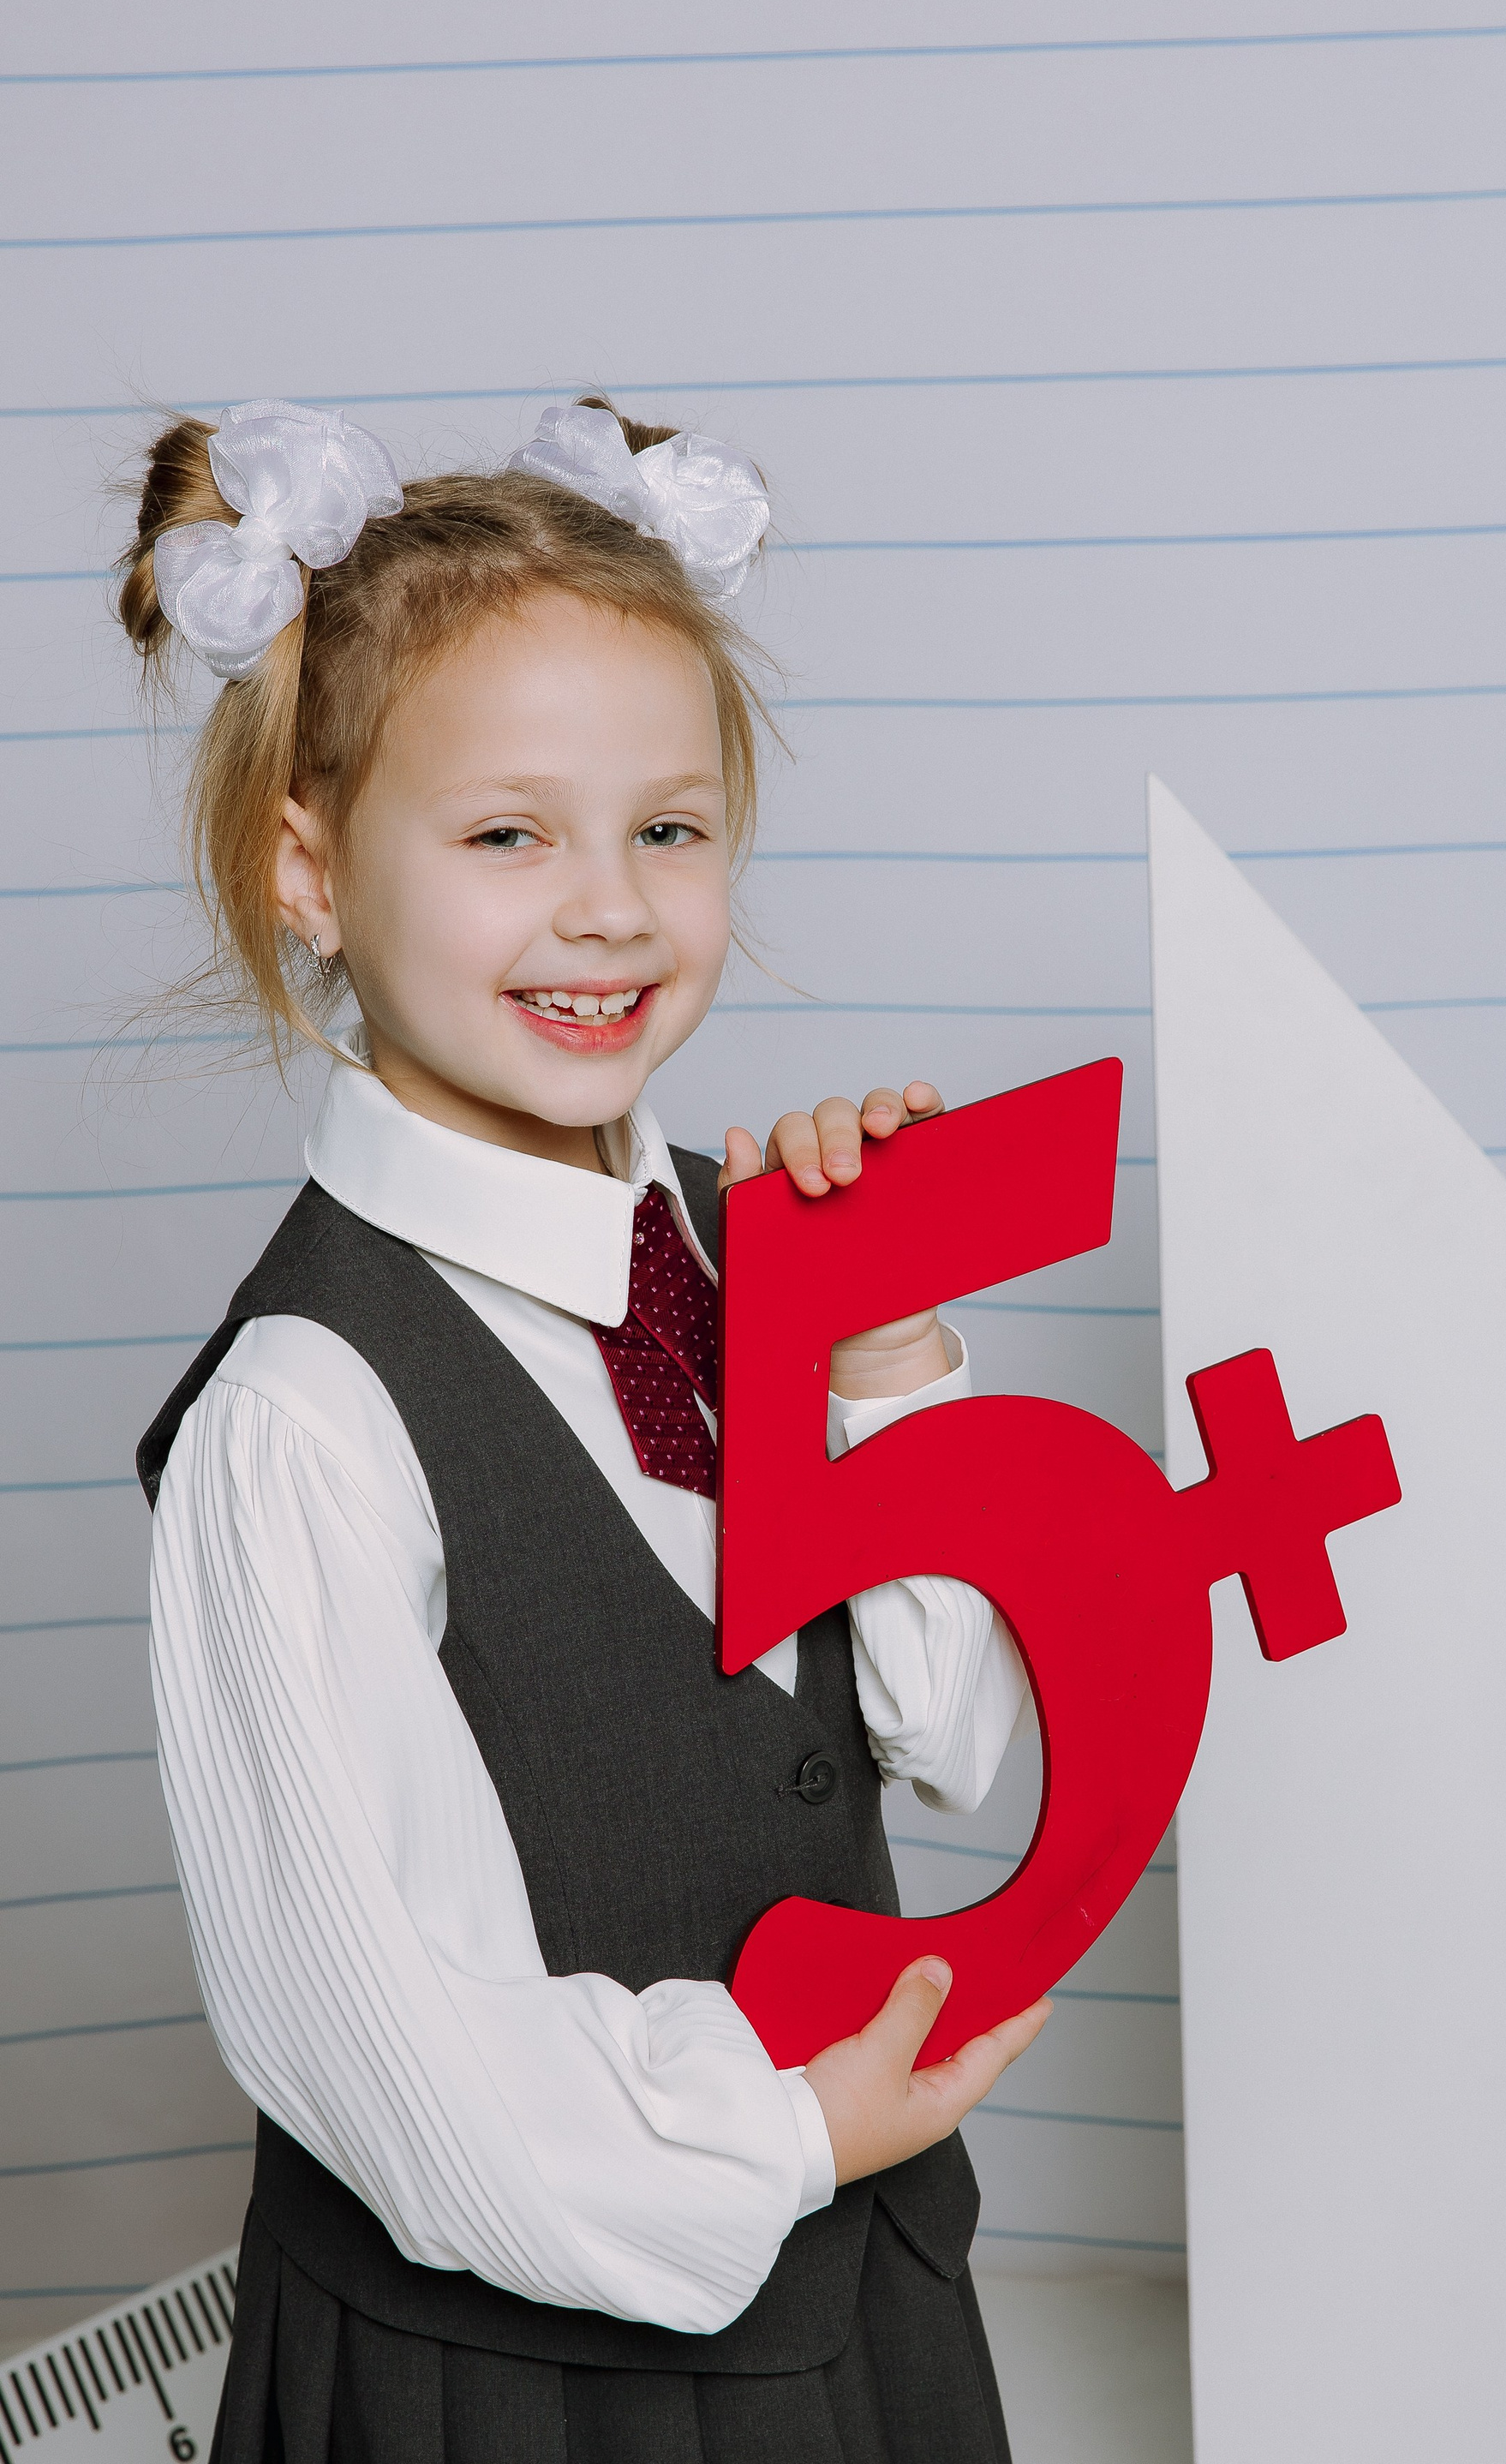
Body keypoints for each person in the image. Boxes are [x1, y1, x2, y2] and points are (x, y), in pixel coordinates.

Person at [123, 395, 1049, 2464]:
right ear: (309, 867)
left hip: (864, 2316)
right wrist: (783, 2129)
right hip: (524, 2387)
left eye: (669, 829)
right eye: (507, 836)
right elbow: (388, 2044)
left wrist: (883, 1357)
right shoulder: (305, 1421)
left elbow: (945, 1740)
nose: (610, 909)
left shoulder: (747, 1260)